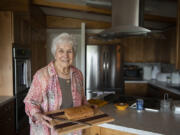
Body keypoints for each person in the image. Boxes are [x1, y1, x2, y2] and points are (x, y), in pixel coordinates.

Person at [24, 33, 88, 135]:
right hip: (48, 130)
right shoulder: (42, 75)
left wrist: (89, 108)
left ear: (74, 54)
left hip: (73, 129)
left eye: (69, 51)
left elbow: (82, 99)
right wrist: (37, 115)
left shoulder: (78, 74)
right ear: (55, 53)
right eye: (61, 51)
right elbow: (30, 102)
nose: (65, 55)